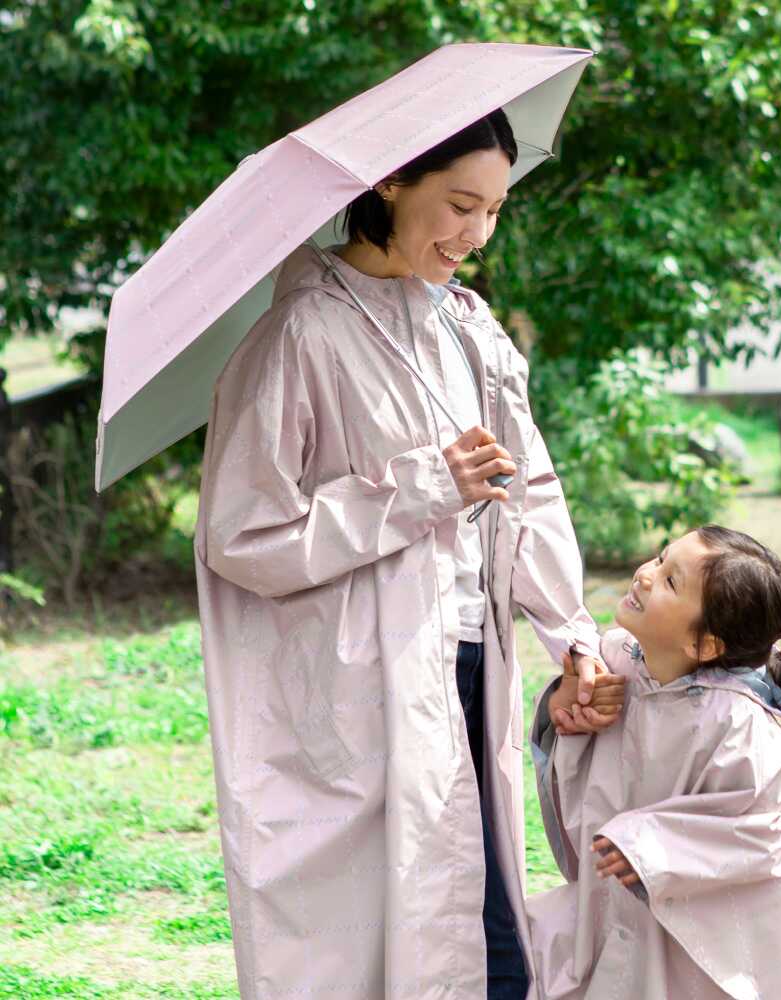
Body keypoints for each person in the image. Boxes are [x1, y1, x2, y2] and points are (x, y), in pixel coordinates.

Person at [194, 109, 623, 1000]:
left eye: (495, 210)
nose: (476, 234)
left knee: (484, 917)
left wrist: (569, 634)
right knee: (387, 932)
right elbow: (243, 537)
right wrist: (420, 488)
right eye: (460, 204)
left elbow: (528, 492)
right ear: (389, 182)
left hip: (473, 660)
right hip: (362, 682)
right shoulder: (300, 336)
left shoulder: (472, 329)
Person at [528, 525, 781, 999]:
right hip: (616, 907)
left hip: (698, 930)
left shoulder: (734, 723)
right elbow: (568, 737)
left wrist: (650, 847)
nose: (646, 575)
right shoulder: (615, 661)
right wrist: (569, 709)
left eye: (671, 581)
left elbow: (760, 827)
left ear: (705, 645)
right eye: (659, 559)